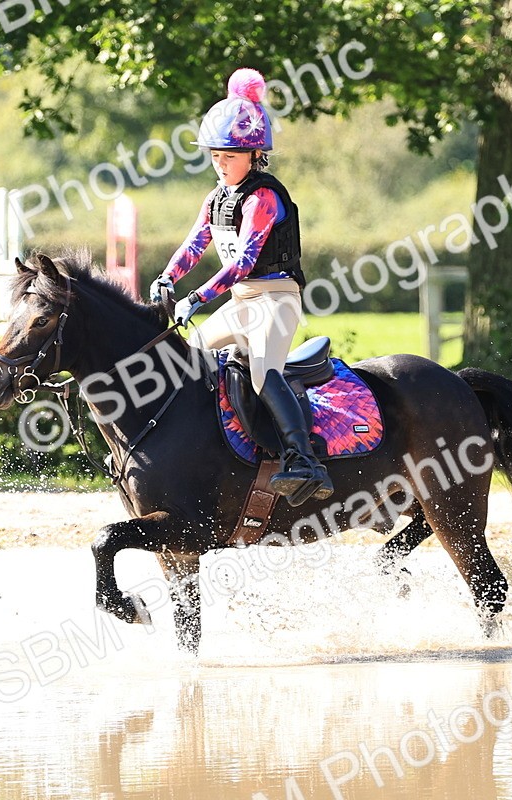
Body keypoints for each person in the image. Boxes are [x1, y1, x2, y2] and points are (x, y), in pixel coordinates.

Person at [149, 68, 333, 506]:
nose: (220, 162)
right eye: (215, 155)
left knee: (263, 371)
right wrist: (166, 278)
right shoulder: (216, 197)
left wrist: (196, 297)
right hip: (242, 301)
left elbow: (243, 262)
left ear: (254, 154)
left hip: (276, 299)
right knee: (191, 356)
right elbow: (195, 244)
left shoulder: (264, 198)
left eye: (229, 156)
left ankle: (303, 459)